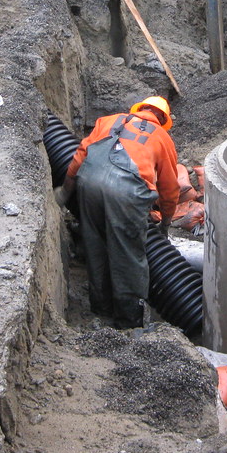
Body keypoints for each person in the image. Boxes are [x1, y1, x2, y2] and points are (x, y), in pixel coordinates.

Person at [62, 96, 179, 328]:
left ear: (139, 109)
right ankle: (128, 321)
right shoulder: (162, 138)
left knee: (95, 244)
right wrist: (165, 222)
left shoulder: (108, 120)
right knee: (128, 256)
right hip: (126, 193)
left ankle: (100, 307)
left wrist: (66, 191)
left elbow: (80, 155)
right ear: (163, 119)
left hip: (88, 183)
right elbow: (170, 188)